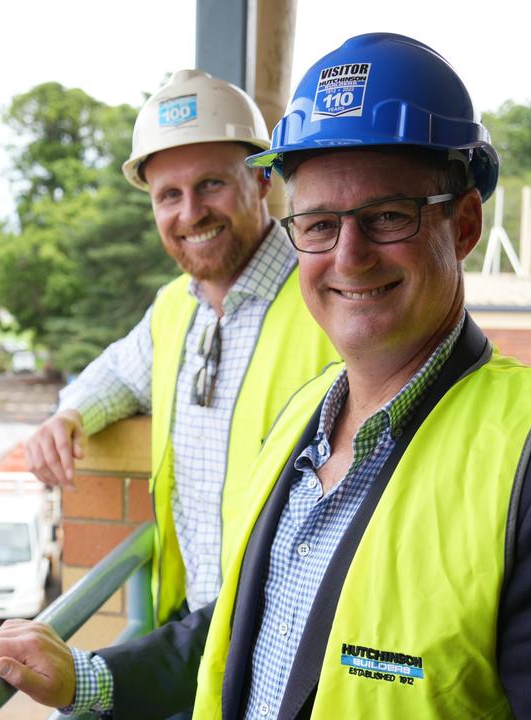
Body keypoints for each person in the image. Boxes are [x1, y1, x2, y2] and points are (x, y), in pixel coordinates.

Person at [0, 33, 531, 718]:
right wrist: (87, 678)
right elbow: (248, 627)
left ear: (464, 225)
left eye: (387, 216)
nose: (349, 255)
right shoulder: (304, 420)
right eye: (318, 224)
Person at [25, 69, 337, 625]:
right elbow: (121, 374)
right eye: (169, 194)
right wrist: (67, 415)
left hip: (291, 632)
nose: (190, 213)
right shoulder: (174, 308)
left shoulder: (330, 295)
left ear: (263, 182)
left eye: (211, 184)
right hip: (193, 624)